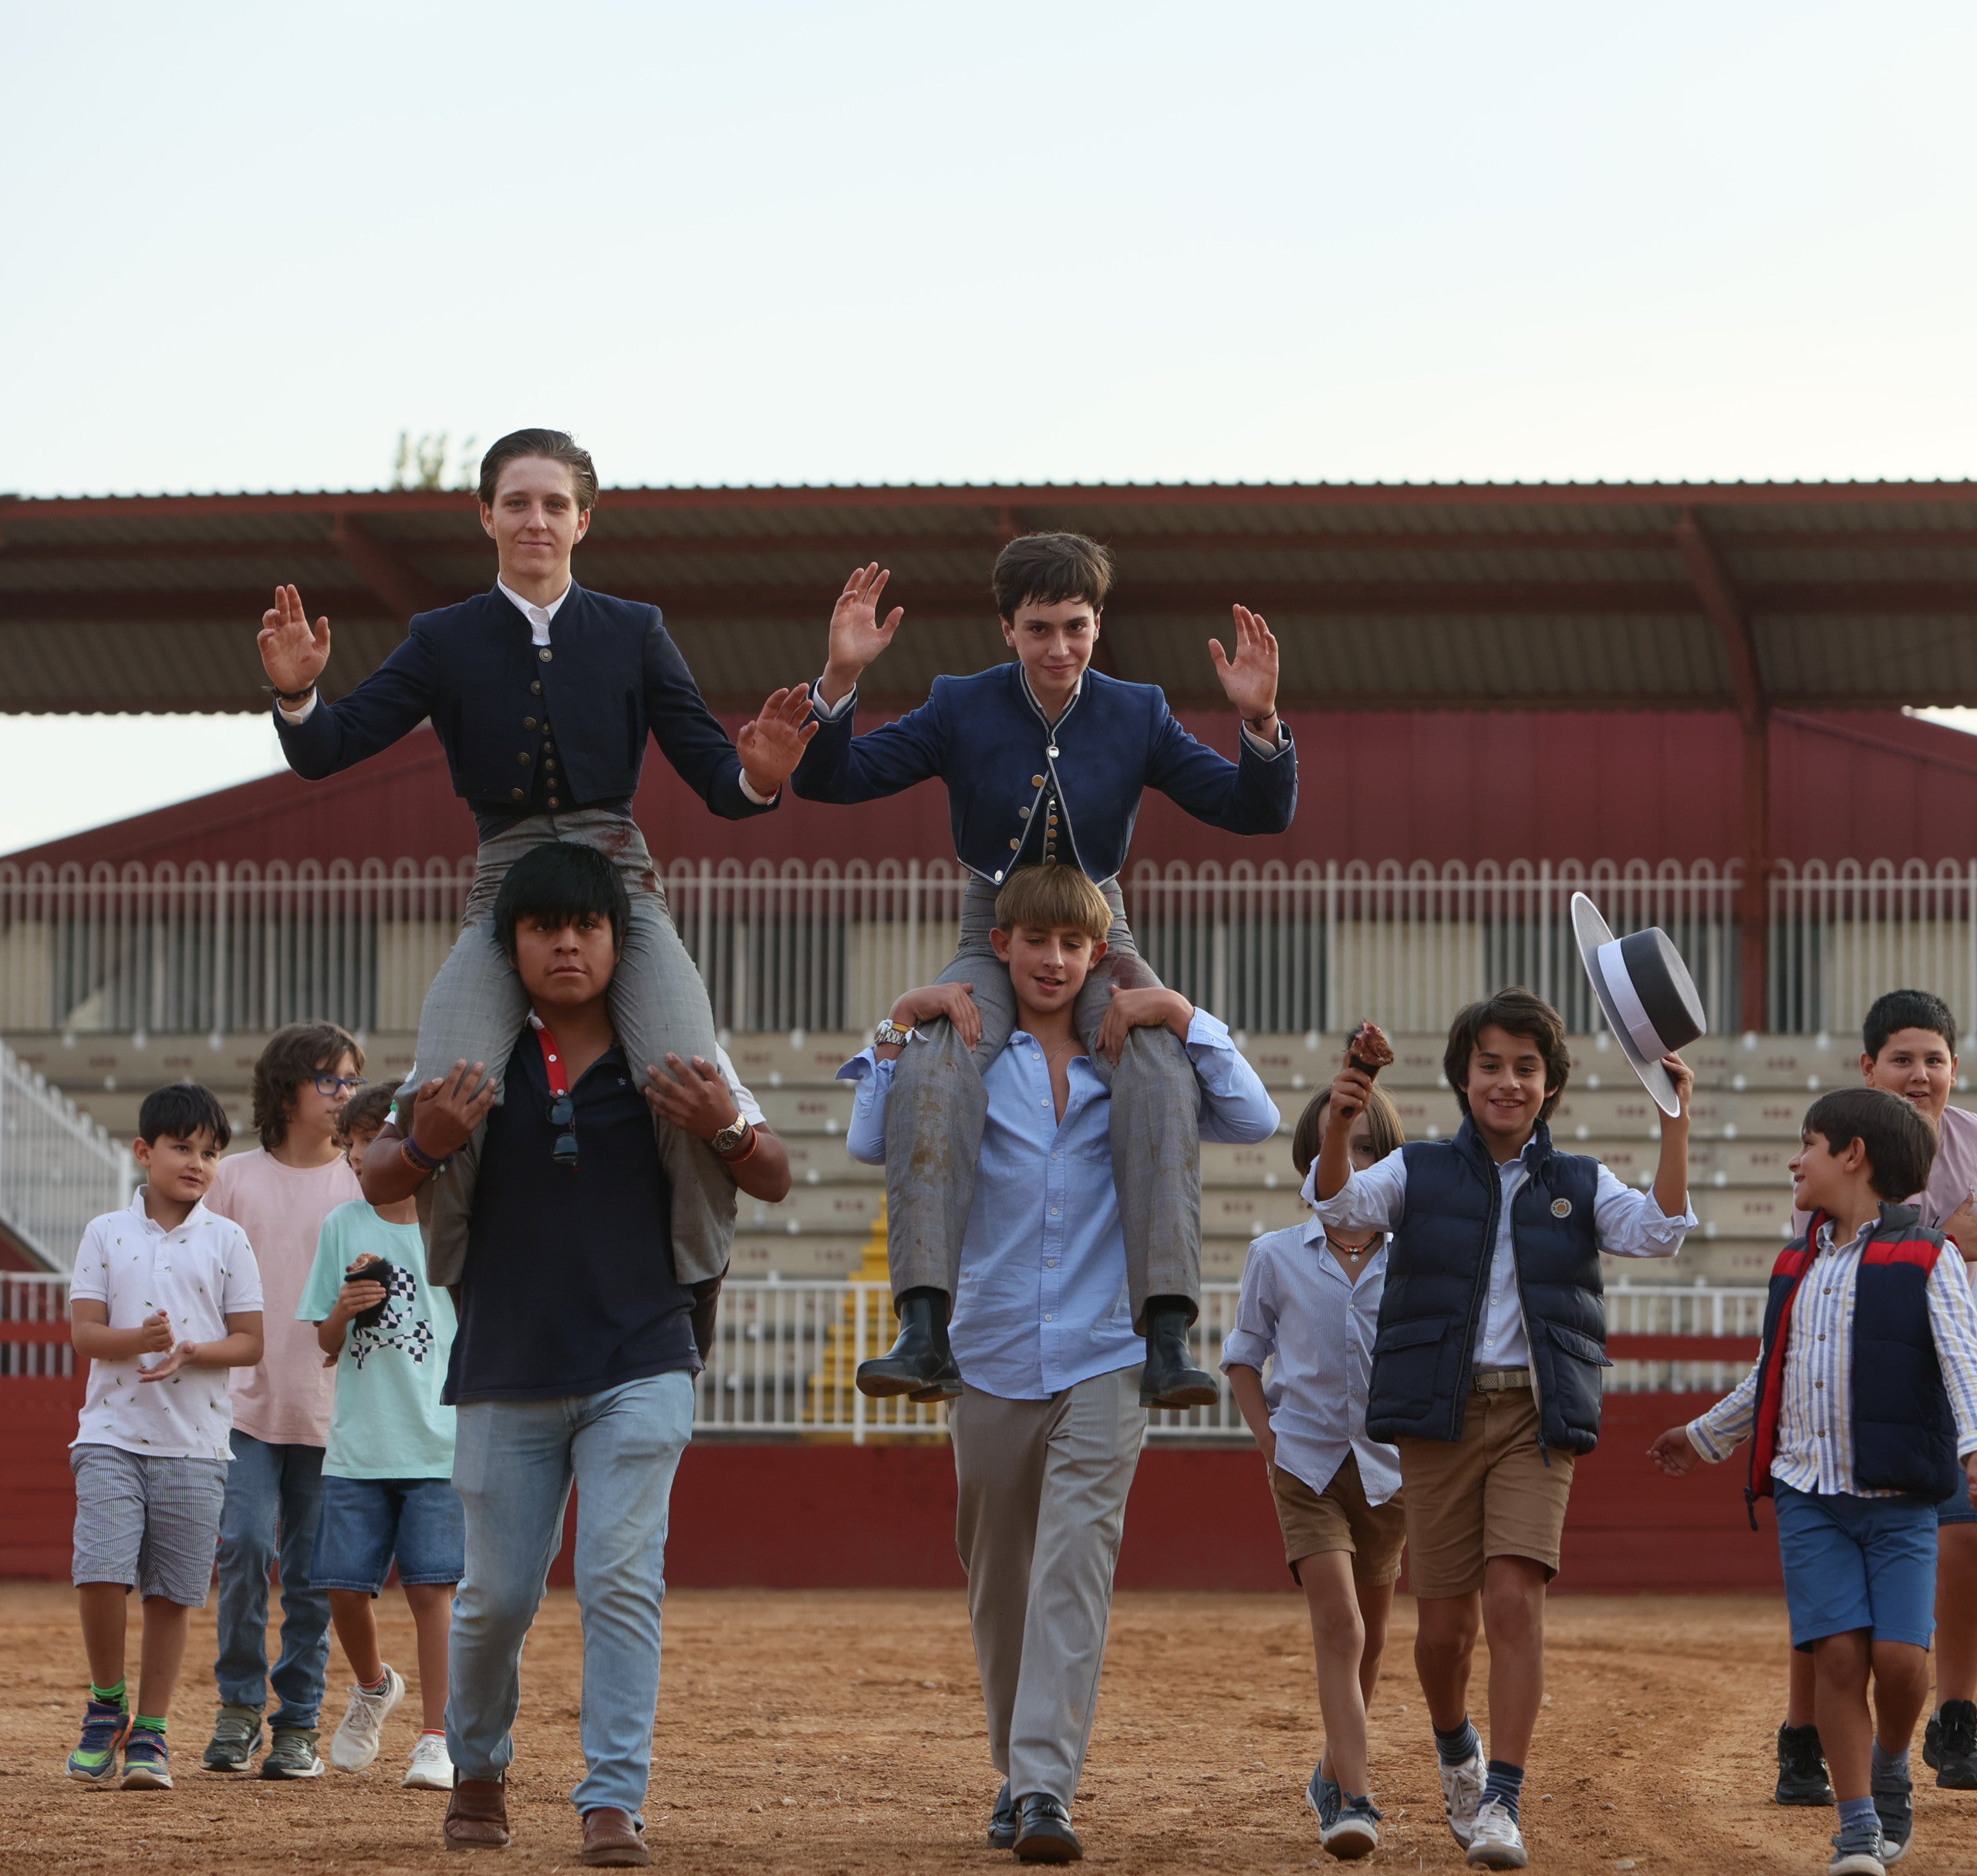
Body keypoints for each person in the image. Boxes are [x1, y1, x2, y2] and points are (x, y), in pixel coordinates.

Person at [258, 427, 817, 1304]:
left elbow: (719, 778)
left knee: (689, 1077)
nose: (536, 520)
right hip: (504, 877)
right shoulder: (443, 637)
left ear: (582, 521)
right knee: (447, 1089)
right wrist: (298, 695)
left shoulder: (634, 629)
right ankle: (465, 1289)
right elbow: (332, 746)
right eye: (516, 502)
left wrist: (761, 776)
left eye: (555, 504)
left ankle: (695, 1285)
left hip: (618, 874)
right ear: (486, 515)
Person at [357, 840, 791, 1865]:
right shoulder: (470, 1057)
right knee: (497, 1600)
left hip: (644, 1357)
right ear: (508, 947)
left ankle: (612, 1798)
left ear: (618, 940)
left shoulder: (676, 1056)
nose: (566, 945)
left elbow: (772, 1174)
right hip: (505, 1366)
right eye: (543, 928)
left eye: (586, 926)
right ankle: (478, 1767)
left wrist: (725, 1126)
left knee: (620, 1581)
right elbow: (378, 1175)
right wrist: (425, 1143)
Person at [792, 533, 1297, 1409]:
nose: (1059, 648)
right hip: (992, 925)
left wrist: (1259, 723)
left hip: (1101, 930)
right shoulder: (960, 704)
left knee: (1157, 1063)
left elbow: (1252, 812)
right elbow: (835, 782)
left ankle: (1167, 1334)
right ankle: (923, 1329)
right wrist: (838, 680)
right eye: (1038, 629)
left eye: (1075, 626)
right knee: (935, 1056)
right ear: (1007, 629)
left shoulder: (1138, 711)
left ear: (1099, 624)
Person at [840, 864, 1281, 1864]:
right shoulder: (964, 1050)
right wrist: (900, 1022)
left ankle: (1044, 1787)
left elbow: (1254, 1118)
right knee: (1000, 1579)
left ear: (1097, 954)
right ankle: (1018, 1766)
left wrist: (1181, 1012)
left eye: (1072, 944)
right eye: (1035, 941)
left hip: (1107, 1350)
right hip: (988, 1349)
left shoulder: (1135, 1056)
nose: (1052, 960)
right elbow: (871, 1138)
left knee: (1075, 1567)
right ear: (1000, 945)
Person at [1310, 991, 1699, 1872]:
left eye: (1527, 1067)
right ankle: (1457, 1743)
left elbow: (1659, 1232)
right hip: (1438, 1417)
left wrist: (1674, 1122)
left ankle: (1504, 1799)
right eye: (1491, 1064)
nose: (1508, 1082)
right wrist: (1338, 1123)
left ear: (1551, 1083)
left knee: (1516, 1600)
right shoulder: (1416, 1170)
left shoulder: (1580, 1181)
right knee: (1444, 1634)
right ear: (1463, 1075)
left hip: (1535, 1412)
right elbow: (1338, 1207)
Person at [1652, 1088, 1977, 1876]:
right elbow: (1769, 1376)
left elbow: (1967, 1360)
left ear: (1853, 1156)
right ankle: (1857, 1826)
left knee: (1904, 1665)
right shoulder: (1795, 1263)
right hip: (1809, 1498)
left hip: (1900, 1500)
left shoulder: (1929, 1257)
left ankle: (1891, 1764)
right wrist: (1704, 1436)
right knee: (1839, 1659)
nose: (1794, 1160)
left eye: (1808, 1144)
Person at [1770, 990, 1977, 1803]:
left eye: (1934, 1059)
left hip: (1950, 1366)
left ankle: (1957, 1713)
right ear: (1869, 1068)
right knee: (1831, 1554)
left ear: (1955, 1068)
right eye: (1902, 1059)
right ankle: (1803, 1730)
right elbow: (1829, 1254)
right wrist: (1948, 1239)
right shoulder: (1837, 1142)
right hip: (1861, 1372)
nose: (1920, 1074)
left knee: (1974, 1536)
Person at [1222, 1080, 1410, 1861]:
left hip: (1391, 1472)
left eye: (1369, 1149)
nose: (1353, 1162)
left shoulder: (1415, 1260)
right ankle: (1355, 1799)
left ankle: (1332, 1771)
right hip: (1305, 1464)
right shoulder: (1274, 1255)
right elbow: (1243, 1357)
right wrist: (1270, 1441)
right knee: (1341, 1624)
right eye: (1339, 1146)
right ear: (1310, 1161)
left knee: (1372, 1641)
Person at [63, 1084, 265, 1792]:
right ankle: (106, 1704)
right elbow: (85, 1334)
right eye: (182, 1148)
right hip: (111, 1432)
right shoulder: (104, 1232)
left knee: (172, 1595)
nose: (197, 1163)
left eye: (210, 1152)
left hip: (197, 1442)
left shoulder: (228, 1238)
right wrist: (140, 1340)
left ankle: (150, 1730)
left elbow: (250, 1342)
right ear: (143, 1152)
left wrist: (193, 1351)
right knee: (100, 1571)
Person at [201, 1022, 366, 1780]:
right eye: (329, 1079)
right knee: (243, 1546)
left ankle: (297, 1721)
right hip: (242, 1404)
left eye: (351, 1079)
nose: (343, 1093)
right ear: (286, 1088)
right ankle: (238, 1707)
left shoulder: (363, 1181)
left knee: (311, 1574)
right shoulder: (233, 1179)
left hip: (334, 1409)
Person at [299, 1078, 460, 1793]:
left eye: (373, 1140)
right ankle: (373, 1686)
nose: (361, 1155)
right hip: (359, 1444)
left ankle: (437, 1739)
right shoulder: (342, 1225)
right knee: (341, 1588)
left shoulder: (450, 1220)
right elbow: (325, 1341)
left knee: (433, 1594)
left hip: (440, 1439)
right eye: (352, 1144)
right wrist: (343, 1309)